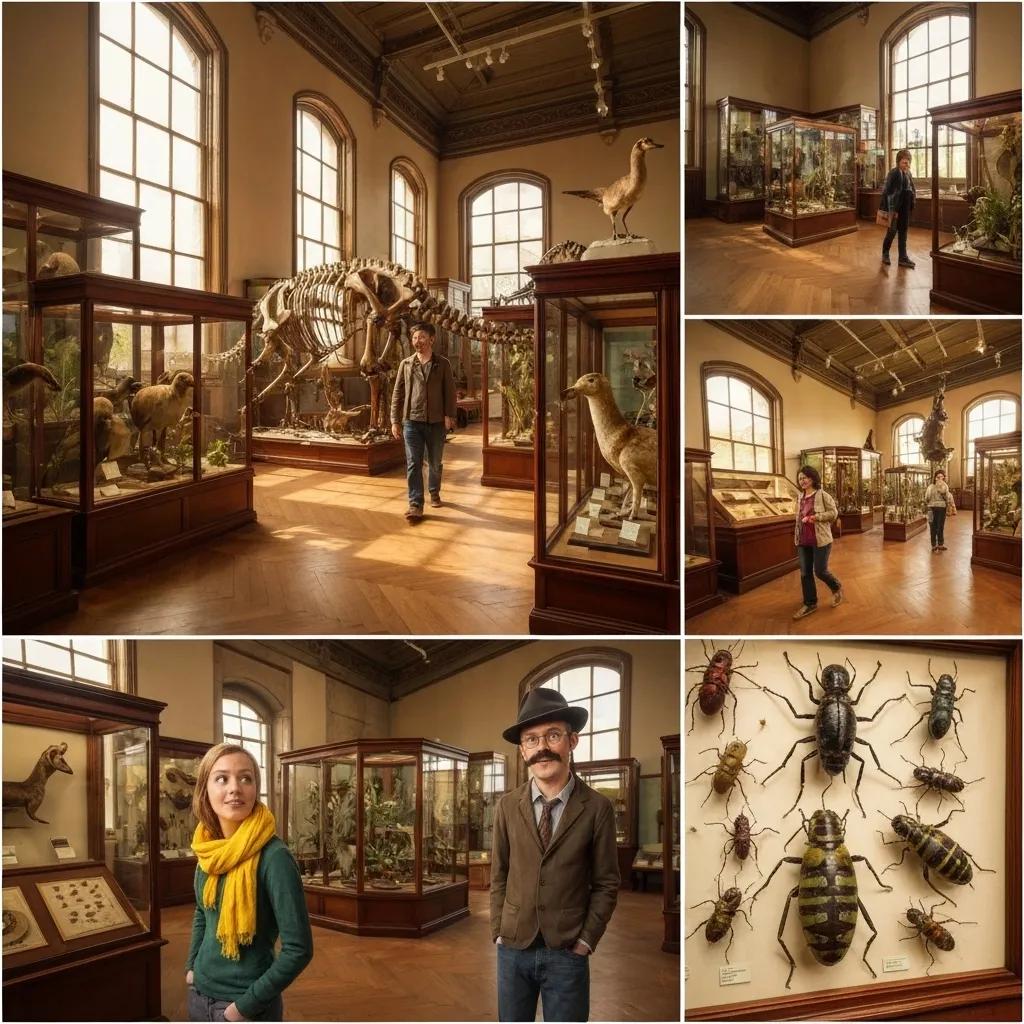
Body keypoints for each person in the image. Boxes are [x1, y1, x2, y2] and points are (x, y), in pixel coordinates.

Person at [491, 688, 620, 1023]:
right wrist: (498, 931)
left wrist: (586, 941)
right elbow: (499, 875)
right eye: (531, 740)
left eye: (552, 735)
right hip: (513, 948)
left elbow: (606, 883)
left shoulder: (597, 808)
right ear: (522, 750)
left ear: (572, 741)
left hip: (567, 951)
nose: (542, 747)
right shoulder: (506, 806)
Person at [186, 743, 312, 1022]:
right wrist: (191, 968)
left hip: (245, 1007)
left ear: (256, 788)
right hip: (198, 994)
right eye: (222, 778)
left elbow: (299, 949)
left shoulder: (275, 857)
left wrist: (241, 1009)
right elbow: (202, 913)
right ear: (205, 789)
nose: (235, 788)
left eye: (246, 778)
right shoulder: (207, 850)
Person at [390, 321, 456, 521]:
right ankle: (416, 504)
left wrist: (448, 416)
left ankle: (434, 491)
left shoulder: (443, 364)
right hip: (411, 422)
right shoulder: (406, 364)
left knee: (435, 463)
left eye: (422, 337)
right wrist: (395, 420)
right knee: (413, 463)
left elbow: (450, 393)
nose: (417, 341)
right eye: (415, 338)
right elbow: (397, 393)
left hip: (436, 422)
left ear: (432, 339)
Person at [793, 464, 843, 620]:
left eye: (805, 477)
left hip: (821, 540)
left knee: (820, 571)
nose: (802, 481)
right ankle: (810, 603)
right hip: (803, 540)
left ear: (813, 478)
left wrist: (817, 517)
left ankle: (836, 587)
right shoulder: (799, 496)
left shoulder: (822, 495)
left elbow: (833, 513)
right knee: (805, 572)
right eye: (800, 478)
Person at [880, 148, 917, 269]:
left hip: (905, 209)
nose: (907, 165)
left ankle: (903, 258)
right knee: (891, 232)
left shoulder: (908, 173)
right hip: (894, 209)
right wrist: (892, 211)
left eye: (908, 162)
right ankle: (885, 253)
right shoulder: (894, 173)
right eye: (904, 162)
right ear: (898, 162)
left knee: (903, 233)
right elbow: (887, 192)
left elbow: (911, 189)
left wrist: (912, 202)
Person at [924, 470, 956, 552]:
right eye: (939, 477)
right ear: (935, 478)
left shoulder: (930, 487)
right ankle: (938, 545)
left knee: (937, 526)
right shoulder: (944, 486)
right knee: (936, 526)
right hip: (936, 508)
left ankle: (936, 545)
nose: (940, 478)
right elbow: (948, 498)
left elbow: (926, 498)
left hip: (934, 508)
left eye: (942, 477)